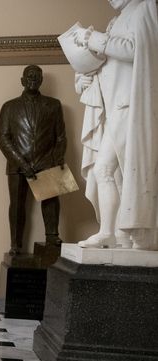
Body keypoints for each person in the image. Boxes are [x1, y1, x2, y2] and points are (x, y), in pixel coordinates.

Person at [72, 0, 158, 250]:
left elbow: (139, 50)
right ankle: (118, 233)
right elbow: (110, 63)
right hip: (115, 107)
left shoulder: (144, 8)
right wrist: (83, 78)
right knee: (114, 172)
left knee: (112, 170)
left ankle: (119, 232)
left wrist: (95, 39)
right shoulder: (115, 21)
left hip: (130, 105)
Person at [0, 65, 67, 254]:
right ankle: (15, 245)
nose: (33, 80)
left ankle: (52, 237)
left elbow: (61, 137)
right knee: (17, 206)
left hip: (46, 161)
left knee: (51, 201)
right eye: (29, 77)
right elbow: (3, 139)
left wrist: (56, 159)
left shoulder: (54, 105)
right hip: (18, 165)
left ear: (41, 80)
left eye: (37, 77)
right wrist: (22, 163)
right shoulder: (9, 106)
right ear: (22, 80)